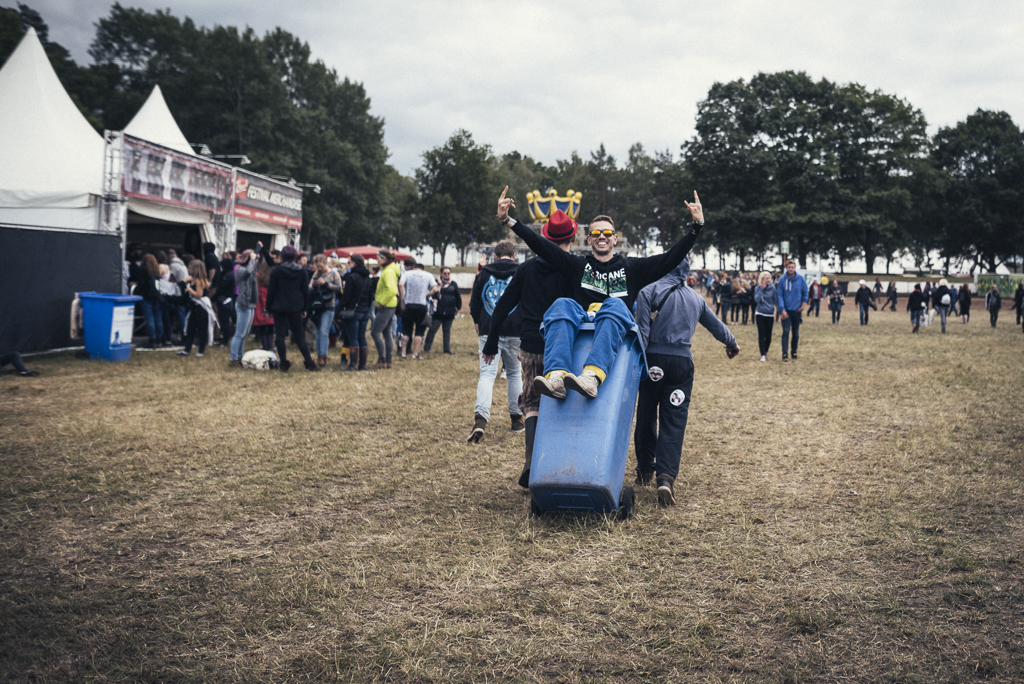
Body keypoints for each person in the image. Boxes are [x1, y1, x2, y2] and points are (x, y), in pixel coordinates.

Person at [497, 186, 705, 401]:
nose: (602, 236)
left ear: (615, 239)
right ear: (589, 239)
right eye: (596, 233)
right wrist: (508, 220)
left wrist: (696, 227)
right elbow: (540, 245)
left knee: (614, 304)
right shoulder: (577, 265)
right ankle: (556, 377)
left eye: (607, 233)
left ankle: (592, 377)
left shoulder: (633, 268)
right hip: (584, 319)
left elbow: (671, 257)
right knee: (561, 303)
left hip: (613, 323)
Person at [633, 258, 738, 504]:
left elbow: (641, 334)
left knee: (647, 413)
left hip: (653, 362)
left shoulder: (648, 291)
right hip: (682, 363)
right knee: (674, 419)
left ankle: (645, 469)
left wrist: (639, 365)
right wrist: (732, 343)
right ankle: (666, 477)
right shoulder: (696, 298)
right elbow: (716, 325)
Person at [482, 221, 573, 484]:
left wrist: (491, 342)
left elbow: (503, 305)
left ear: (543, 237)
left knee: (532, 402)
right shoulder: (572, 268)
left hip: (532, 344)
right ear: (572, 237)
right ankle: (560, 463)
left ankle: (531, 460)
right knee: (563, 400)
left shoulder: (527, 269)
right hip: (564, 346)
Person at [467, 239, 523, 442]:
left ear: (496, 256)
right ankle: (517, 418)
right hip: (516, 330)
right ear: (514, 255)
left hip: (488, 331)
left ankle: (480, 419)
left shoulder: (483, 273)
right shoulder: (521, 272)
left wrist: (478, 326)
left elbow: (474, 304)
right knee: (515, 374)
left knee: (487, 375)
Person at [266, 244, 319, 372]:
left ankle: (283, 362)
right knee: (299, 335)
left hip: (279, 305)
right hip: (295, 306)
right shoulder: (301, 271)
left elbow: (271, 291)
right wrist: (304, 308)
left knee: (279, 335)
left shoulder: (277, 271)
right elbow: (305, 291)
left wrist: (268, 308)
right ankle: (309, 362)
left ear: (282, 256)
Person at [336, 253, 373, 371]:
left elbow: (346, 298)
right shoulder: (368, 278)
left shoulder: (351, 277)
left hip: (353, 311)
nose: (348, 265)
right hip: (365, 311)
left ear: (354, 263)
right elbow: (371, 296)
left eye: (348, 262)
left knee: (353, 338)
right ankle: (363, 365)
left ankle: (353, 365)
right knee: (362, 337)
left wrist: (339, 311)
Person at [228, 248, 261, 367]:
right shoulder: (240, 270)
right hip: (243, 305)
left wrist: (258, 249)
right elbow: (248, 271)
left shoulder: (251, 269)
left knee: (245, 333)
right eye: (254, 259)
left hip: (251, 305)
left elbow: (253, 269)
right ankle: (233, 358)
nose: (256, 261)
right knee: (239, 333)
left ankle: (240, 356)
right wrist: (252, 259)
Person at [307, 254, 341, 366]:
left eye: (321, 266)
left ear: (326, 263)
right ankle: (318, 355)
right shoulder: (316, 274)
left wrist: (326, 284)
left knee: (324, 331)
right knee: (317, 332)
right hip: (317, 306)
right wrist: (315, 285)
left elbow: (339, 288)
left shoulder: (333, 273)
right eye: (318, 266)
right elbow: (309, 288)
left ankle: (323, 356)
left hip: (329, 305)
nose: (319, 269)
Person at [398, 258, 436, 360]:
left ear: (415, 267)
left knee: (406, 329)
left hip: (408, 304)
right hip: (421, 305)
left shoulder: (407, 273)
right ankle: (415, 354)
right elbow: (435, 288)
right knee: (419, 330)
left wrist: (403, 297)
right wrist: (427, 295)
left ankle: (403, 353)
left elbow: (401, 284)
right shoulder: (428, 275)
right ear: (422, 269)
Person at [370, 251, 401, 369]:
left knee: (375, 333)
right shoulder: (391, 270)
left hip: (386, 305)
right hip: (390, 305)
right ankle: (388, 360)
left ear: (384, 259)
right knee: (387, 333)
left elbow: (391, 290)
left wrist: (381, 302)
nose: (376, 260)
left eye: (378, 258)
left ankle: (382, 359)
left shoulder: (388, 271)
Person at [177, 260, 215, 357]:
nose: (189, 270)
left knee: (201, 329)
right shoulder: (192, 279)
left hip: (200, 307)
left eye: (190, 268)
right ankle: (187, 350)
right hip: (194, 307)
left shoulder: (198, 281)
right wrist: (185, 281)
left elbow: (199, 295)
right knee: (191, 329)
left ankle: (200, 351)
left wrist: (190, 289)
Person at [424, 266, 461, 354]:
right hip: (438, 311)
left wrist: (458, 307)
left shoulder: (453, 284)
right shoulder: (435, 283)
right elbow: (431, 295)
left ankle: (447, 349)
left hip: (449, 311)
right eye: (445, 273)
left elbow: (457, 296)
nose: (447, 275)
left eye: (448, 273)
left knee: (447, 331)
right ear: (441, 273)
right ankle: (427, 348)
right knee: (432, 329)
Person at [776, 260, 808, 361]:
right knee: (785, 332)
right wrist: (782, 309)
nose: (791, 269)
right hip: (786, 311)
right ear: (786, 268)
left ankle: (794, 351)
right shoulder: (782, 280)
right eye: (789, 267)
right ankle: (784, 353)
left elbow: (805, 292)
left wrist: (803, 305)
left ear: (795, 268)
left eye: (792, 267)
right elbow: (779, 295)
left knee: (795, 333)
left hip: (797, 311)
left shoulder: (801, 279)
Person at [136, 253, 165, 348]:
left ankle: (152, 340)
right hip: (157, 297)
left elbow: (141, 285)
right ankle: (159, 340)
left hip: (146, 297)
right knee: (159, 320)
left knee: (150, 320)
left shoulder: (142, 270)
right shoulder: (157, 271)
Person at [253, 253, 276, 351]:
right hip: (271, 302)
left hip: (261, 303)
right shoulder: (273, 275)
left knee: (262, 328)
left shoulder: (257, 276)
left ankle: (265, 347)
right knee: (270, 327)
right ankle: (270, 347)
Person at [753, 271, 777, 362]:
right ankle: (762, 354)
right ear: (762, 279)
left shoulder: (773, 289)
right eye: (766, 278)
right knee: (761, 334)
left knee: (768, 335)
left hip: (769, 314)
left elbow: (775, 300)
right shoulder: (758, 288)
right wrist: (762, 289)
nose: (768, 280)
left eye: (769, 278)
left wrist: (778, 310)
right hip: (760, 314)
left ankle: (766, 351)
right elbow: (757, 300)